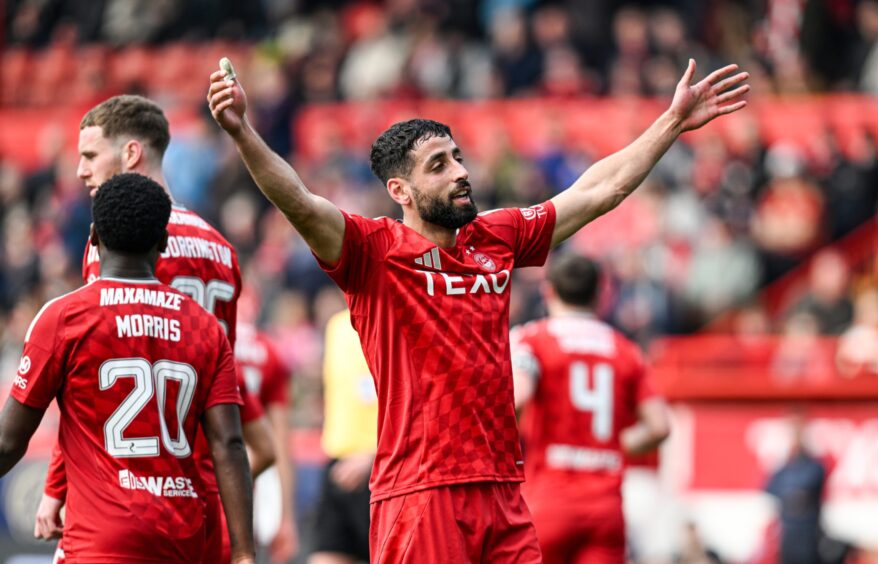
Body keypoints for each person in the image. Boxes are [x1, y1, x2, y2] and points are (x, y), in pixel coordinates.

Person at [208, 57, 748, 562]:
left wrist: (671, 123)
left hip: (504, 494)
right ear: (401, 190)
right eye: (438, 165)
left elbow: (599, 190)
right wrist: (242, 132)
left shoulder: (498, 237)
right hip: (420, 493)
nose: (460, 172)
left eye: (458, 157)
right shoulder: (371, 252)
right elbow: (298, 201)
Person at [33, 94, 276, 564]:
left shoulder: (118, 244)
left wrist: (56, 486)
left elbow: (93, 379)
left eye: (89, 156)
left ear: (130, 154)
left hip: (123, 483)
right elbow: (221, 378)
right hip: (199, 481)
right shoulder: (221, 249)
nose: (81, 171)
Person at [0, 173, 255, 563]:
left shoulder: (63, 319)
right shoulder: (204, 326)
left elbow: (8, 442)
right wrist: (243, 553)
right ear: (164, 243)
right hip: (181, 537)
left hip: (99, 543)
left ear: (93, 237)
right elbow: (229, 444)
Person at [510, 253, 671, 564]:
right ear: (601, 295)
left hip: (548, 499)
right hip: (606, 508)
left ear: (549, 291)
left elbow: (519, 396)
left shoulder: (532, 340)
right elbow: (659, 426)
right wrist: (611, 445)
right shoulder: (625, 349)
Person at [309, 308, 377, 564]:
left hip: (381, 468)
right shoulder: (336, 326)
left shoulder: (396, 320)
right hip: (337, 465)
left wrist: (372, 456)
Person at [235, 316, 298, 561]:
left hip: (193, 484)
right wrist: (286, 517)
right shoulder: (267, 349)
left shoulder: (196, 337)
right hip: (248, 483)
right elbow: (279, 444)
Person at [764, 413, 826, 564]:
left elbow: (803, 487)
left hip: (808, 535)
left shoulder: (814, 466)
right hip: (787, 535)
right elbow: (770, 488)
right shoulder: (784, 467)